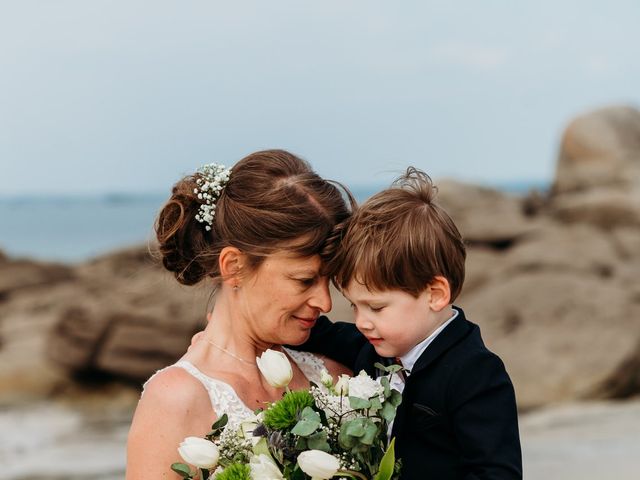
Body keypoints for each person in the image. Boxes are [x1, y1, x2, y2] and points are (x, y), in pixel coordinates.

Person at [126, 150, 358, 479]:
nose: (325, 302)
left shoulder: (338, 380)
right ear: (234, 267)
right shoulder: (176, 400)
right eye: (304, 280)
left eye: (329, 281)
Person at [300, 168, 523, 480]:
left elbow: (497, 473)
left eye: (376, 307)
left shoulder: (476, 373)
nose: (362, 322)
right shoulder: (371, 347)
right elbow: (320, 334)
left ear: (435, 294)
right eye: (354, 306)